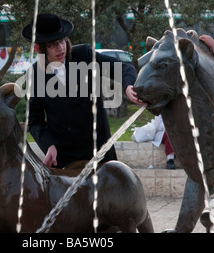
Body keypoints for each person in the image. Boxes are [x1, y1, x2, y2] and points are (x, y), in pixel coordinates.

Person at [21, 12, 145, 169]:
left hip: (101, 153)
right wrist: (49, 145)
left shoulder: (85, 55)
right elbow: (35, 120)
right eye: (52, 45)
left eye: (62, 41)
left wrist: (128, 86)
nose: (60, 48)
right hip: (64, 159)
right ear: (38, 48)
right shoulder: (33, 76)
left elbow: (123, 67)